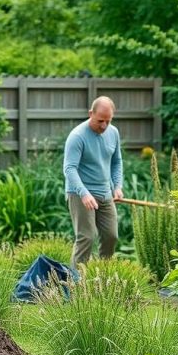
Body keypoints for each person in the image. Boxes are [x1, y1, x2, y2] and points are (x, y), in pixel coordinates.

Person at [63, 96, 123, 268]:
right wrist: (84, 193)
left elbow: (117, 161)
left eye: (108, 121)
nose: (104, 126)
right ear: (91, 113)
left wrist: (117, 186)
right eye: (100, 121)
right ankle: (75, 284)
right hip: (80, 193)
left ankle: (102, 280)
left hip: (105, 193)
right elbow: (69, 169)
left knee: (111, 236)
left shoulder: (113, 133)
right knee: (87, 237)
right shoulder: (77, 136)